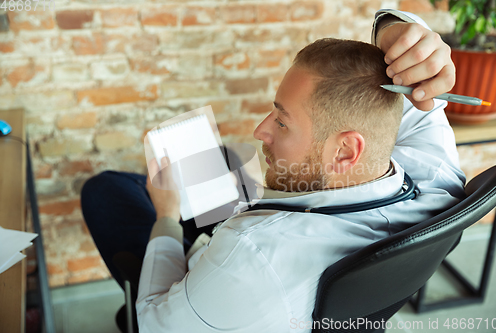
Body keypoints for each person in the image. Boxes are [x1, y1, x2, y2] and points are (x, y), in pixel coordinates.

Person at [81, 9, 465, 333]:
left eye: (282, 122)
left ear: (346, 151)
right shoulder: (437, 179)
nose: (260, 130)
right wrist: (397, 31)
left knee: (108, 189)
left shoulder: (250, 260)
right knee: (222, 162)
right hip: (276, 225)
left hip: (214, 278)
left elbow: (152, 321)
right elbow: (421, 97)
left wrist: (165, 215)